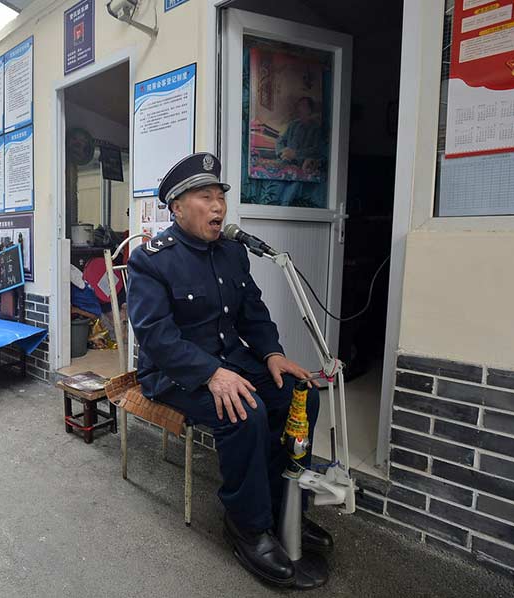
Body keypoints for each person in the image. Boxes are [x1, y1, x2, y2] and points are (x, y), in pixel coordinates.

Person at [126, 152, 333, 588]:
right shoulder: (153, 259)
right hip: (173, 372)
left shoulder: (233, 253)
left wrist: (272, 354)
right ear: (177, 207)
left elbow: (253, 312)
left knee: (300, 395)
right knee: (247, 410)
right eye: (205, 197)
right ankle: (247, 524)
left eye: (220, 195)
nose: (218, 206)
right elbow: (155, 336)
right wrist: (209, 374)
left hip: (232, 360)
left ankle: (284, 508)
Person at [275, 96, 323, 173]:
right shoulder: (293, 125)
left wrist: (296, 154)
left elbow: (316, 149)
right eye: (299, 105)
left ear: (310, 110)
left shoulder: (316, 128)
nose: (299, 108)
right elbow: (280, 140)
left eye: (303, 105)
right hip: (286, 162)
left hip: (304, 165)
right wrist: (282, 153)